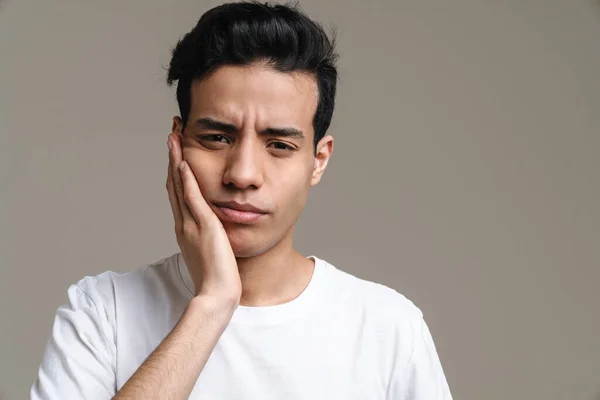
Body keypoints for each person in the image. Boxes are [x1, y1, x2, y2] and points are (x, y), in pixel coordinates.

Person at [31, 2, 452, 399]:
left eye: (280, 145)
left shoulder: (388, 328)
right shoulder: (104, 313)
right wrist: (212, 304)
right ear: (177, 143)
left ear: (318, 160)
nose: (243, 175)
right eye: (217, 137)